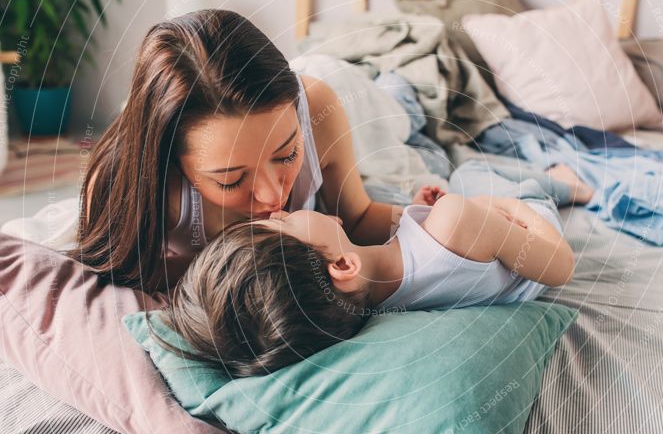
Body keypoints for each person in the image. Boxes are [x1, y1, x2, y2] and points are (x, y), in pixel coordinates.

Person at [66, 9, 442, 293]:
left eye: (287, 156)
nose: (273, 194)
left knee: (408, 110)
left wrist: (432, 220)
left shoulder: (317, 111)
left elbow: (357, 218)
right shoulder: (123, 187)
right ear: (171, 161)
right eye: (231, 179)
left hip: (343, 85)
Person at [156, 160, 585, 377]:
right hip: (527, 231)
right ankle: (565, 181)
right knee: (472, 170)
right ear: (343, 263)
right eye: (283, 222)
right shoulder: (454, 221)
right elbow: (561, 266)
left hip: (478, 240)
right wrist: (494, 208)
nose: (280, 208)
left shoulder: (359, 307)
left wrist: (425, 214)